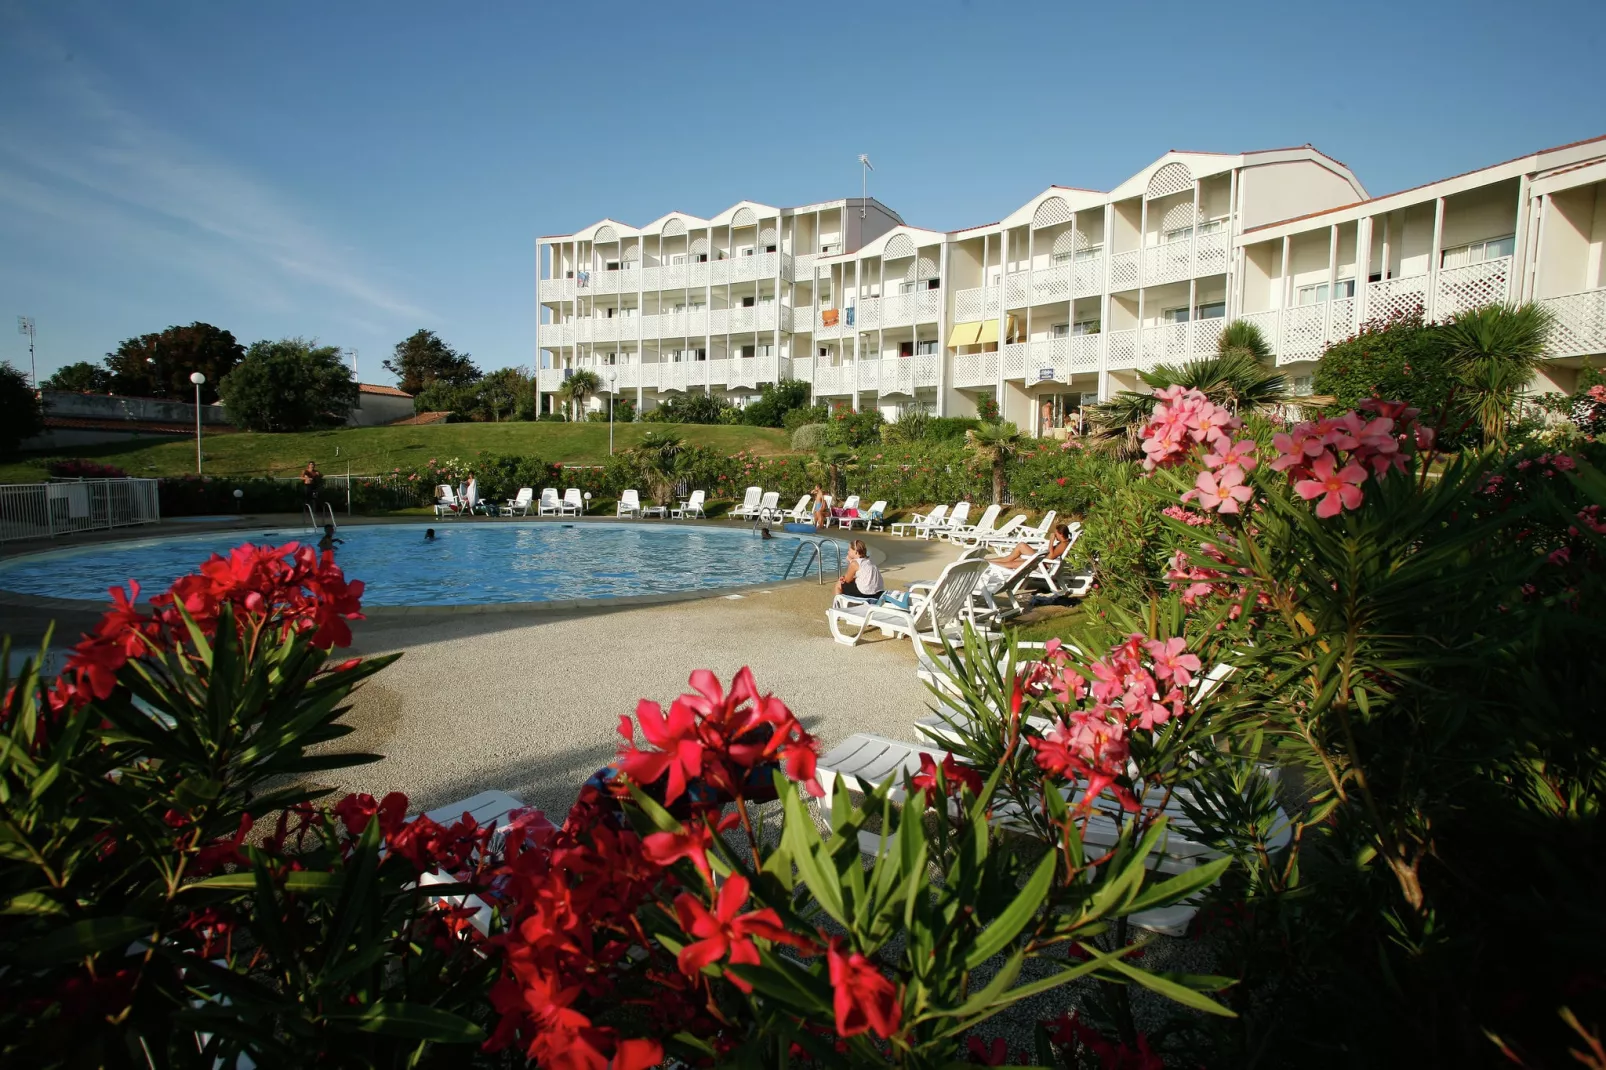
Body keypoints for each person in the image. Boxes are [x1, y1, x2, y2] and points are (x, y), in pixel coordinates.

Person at [990, 523, 1073, 571]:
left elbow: (1050, 557)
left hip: (1042, 565)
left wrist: (1051, 541)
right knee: (1018, 552)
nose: (1055, 536)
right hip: (1041, 560)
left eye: (1056, 534)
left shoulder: (1063, 545)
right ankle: (986, 561)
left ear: (1061, 534)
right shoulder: (1065, 542)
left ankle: (986, 564)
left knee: (1011, 563)